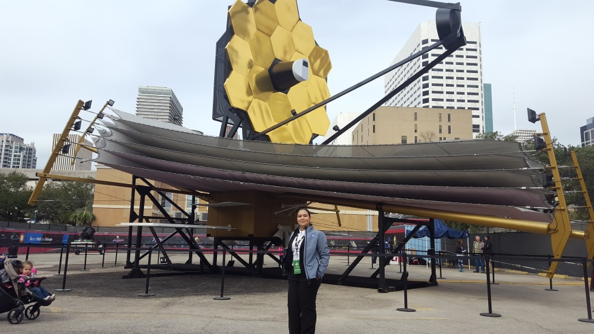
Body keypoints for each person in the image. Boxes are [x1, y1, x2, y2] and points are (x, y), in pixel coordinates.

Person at [282, 207, 330, 334]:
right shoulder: (294, 234)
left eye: (305, 215)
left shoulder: (318, 235)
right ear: (297, 219)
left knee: (307, 310)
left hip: (309, 277)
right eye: (299, 216)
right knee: (293, 308)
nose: (302, 218)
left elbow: (325, 255)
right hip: (294, 275)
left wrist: (319, 273)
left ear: (309, 218)